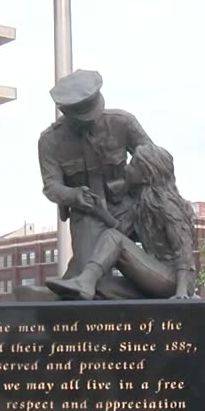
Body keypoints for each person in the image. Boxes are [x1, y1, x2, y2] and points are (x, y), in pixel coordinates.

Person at [31, 69, 153, 300]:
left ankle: (170, 291)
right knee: (90, 275)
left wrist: (134, 189)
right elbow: (51, 186)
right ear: (65, 111)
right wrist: (74, 195)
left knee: (166, 252)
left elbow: (155, 162)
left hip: (131, 206)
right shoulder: (50, 141)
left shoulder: (122, 122)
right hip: (88, 214)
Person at [46, 143, 197, 300]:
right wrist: (100, 212)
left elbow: (183, 248)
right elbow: (122, 231)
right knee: (102, 286)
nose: (127, 168)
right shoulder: (142, 204)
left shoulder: (167, 205)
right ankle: (85, 285)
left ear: (147, 175)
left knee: (112, 237)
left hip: (175, 280)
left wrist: (181, 292)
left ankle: (84, 282)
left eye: (133, 165)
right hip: (156, 274)